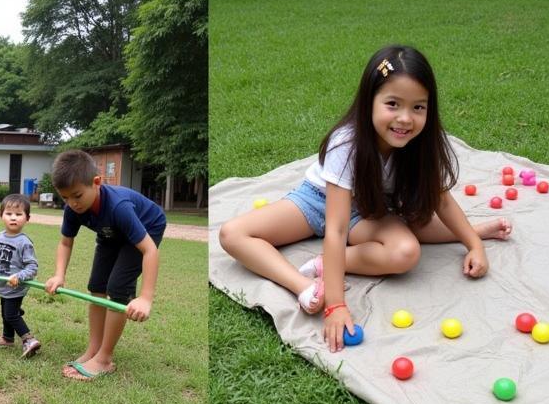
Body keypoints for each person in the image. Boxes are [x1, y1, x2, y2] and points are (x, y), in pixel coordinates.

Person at [218, 45, 513, 354]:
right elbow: (335, 229)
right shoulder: (345, 143)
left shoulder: (422, 144)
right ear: (369, 101)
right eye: (392, 104)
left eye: (418, 107)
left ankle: (325, 264)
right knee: (232, 233)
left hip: (366, 210)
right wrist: (334, 305)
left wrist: (474, 244)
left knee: (406, 251)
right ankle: (304, 284)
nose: (405, 119)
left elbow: (441, 202)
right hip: (316, 201)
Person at [45, 149, 165, 380]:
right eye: (65, 198)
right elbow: (66, 242)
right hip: (110, 233)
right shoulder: (72, 208)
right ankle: (94, 349)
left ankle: (104, 358)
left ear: (96, 182)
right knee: (97, 286)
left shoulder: (118, 206)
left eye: (77, 195)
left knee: (118, 288)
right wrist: (59, 274)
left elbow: (149, 250)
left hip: (146, 228)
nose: (72, 203)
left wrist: (146, 297)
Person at [0, 192, 41, 357]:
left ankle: (28, 339)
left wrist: (18, 277)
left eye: (19, 214)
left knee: (10, 314)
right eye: (9, 214)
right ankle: (7, 338)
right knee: (5, 312)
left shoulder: (24, 242)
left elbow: (32, 267)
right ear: (1, 216)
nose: (13, 217)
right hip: (1, 285)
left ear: (27, 218)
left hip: (15, 287)